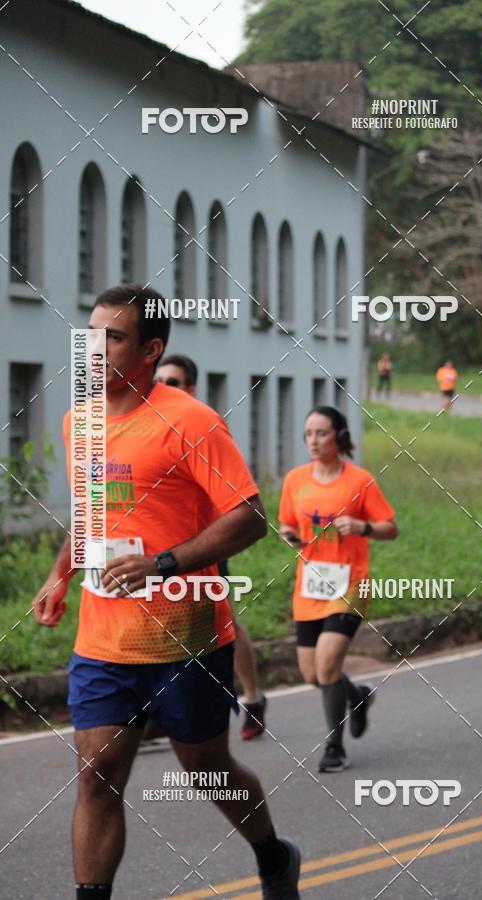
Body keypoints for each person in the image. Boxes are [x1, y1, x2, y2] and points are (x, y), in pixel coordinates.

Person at [32, 284, 300, 900]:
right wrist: (60, 572)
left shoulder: (188, 420)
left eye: (113, 338)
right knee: (98, 777)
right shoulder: (82, 421)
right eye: (91, 333)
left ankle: (272, 854)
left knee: (207, 769)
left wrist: (162, 563)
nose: (94, 349)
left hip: (187, 635)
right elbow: (91, 512)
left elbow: (250, 517)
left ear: (151, 349)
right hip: (104, 640)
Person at [154, 353, 268, 741]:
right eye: (159, 380)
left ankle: (252, 697)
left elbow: (239, 502)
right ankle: (158, 707)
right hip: (159, 552)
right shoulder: (148, 426)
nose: (162, 388)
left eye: (172, 382)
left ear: (190, 388)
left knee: (224, 622)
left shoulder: (199, 424)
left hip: (205, 546)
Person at [278, 406, 398, 773]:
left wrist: (362, 528)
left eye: (322, 433)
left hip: (351, 584)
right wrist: (290, 538)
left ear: (339, 437)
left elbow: (390, 528)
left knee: (328, 666)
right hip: (310, 585)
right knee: (312, 674)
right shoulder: (295, 480)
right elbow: (285, 524)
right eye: (309, 434)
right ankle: (358, 697)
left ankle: (334, 747)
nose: (313, 441)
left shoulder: (359, 480)